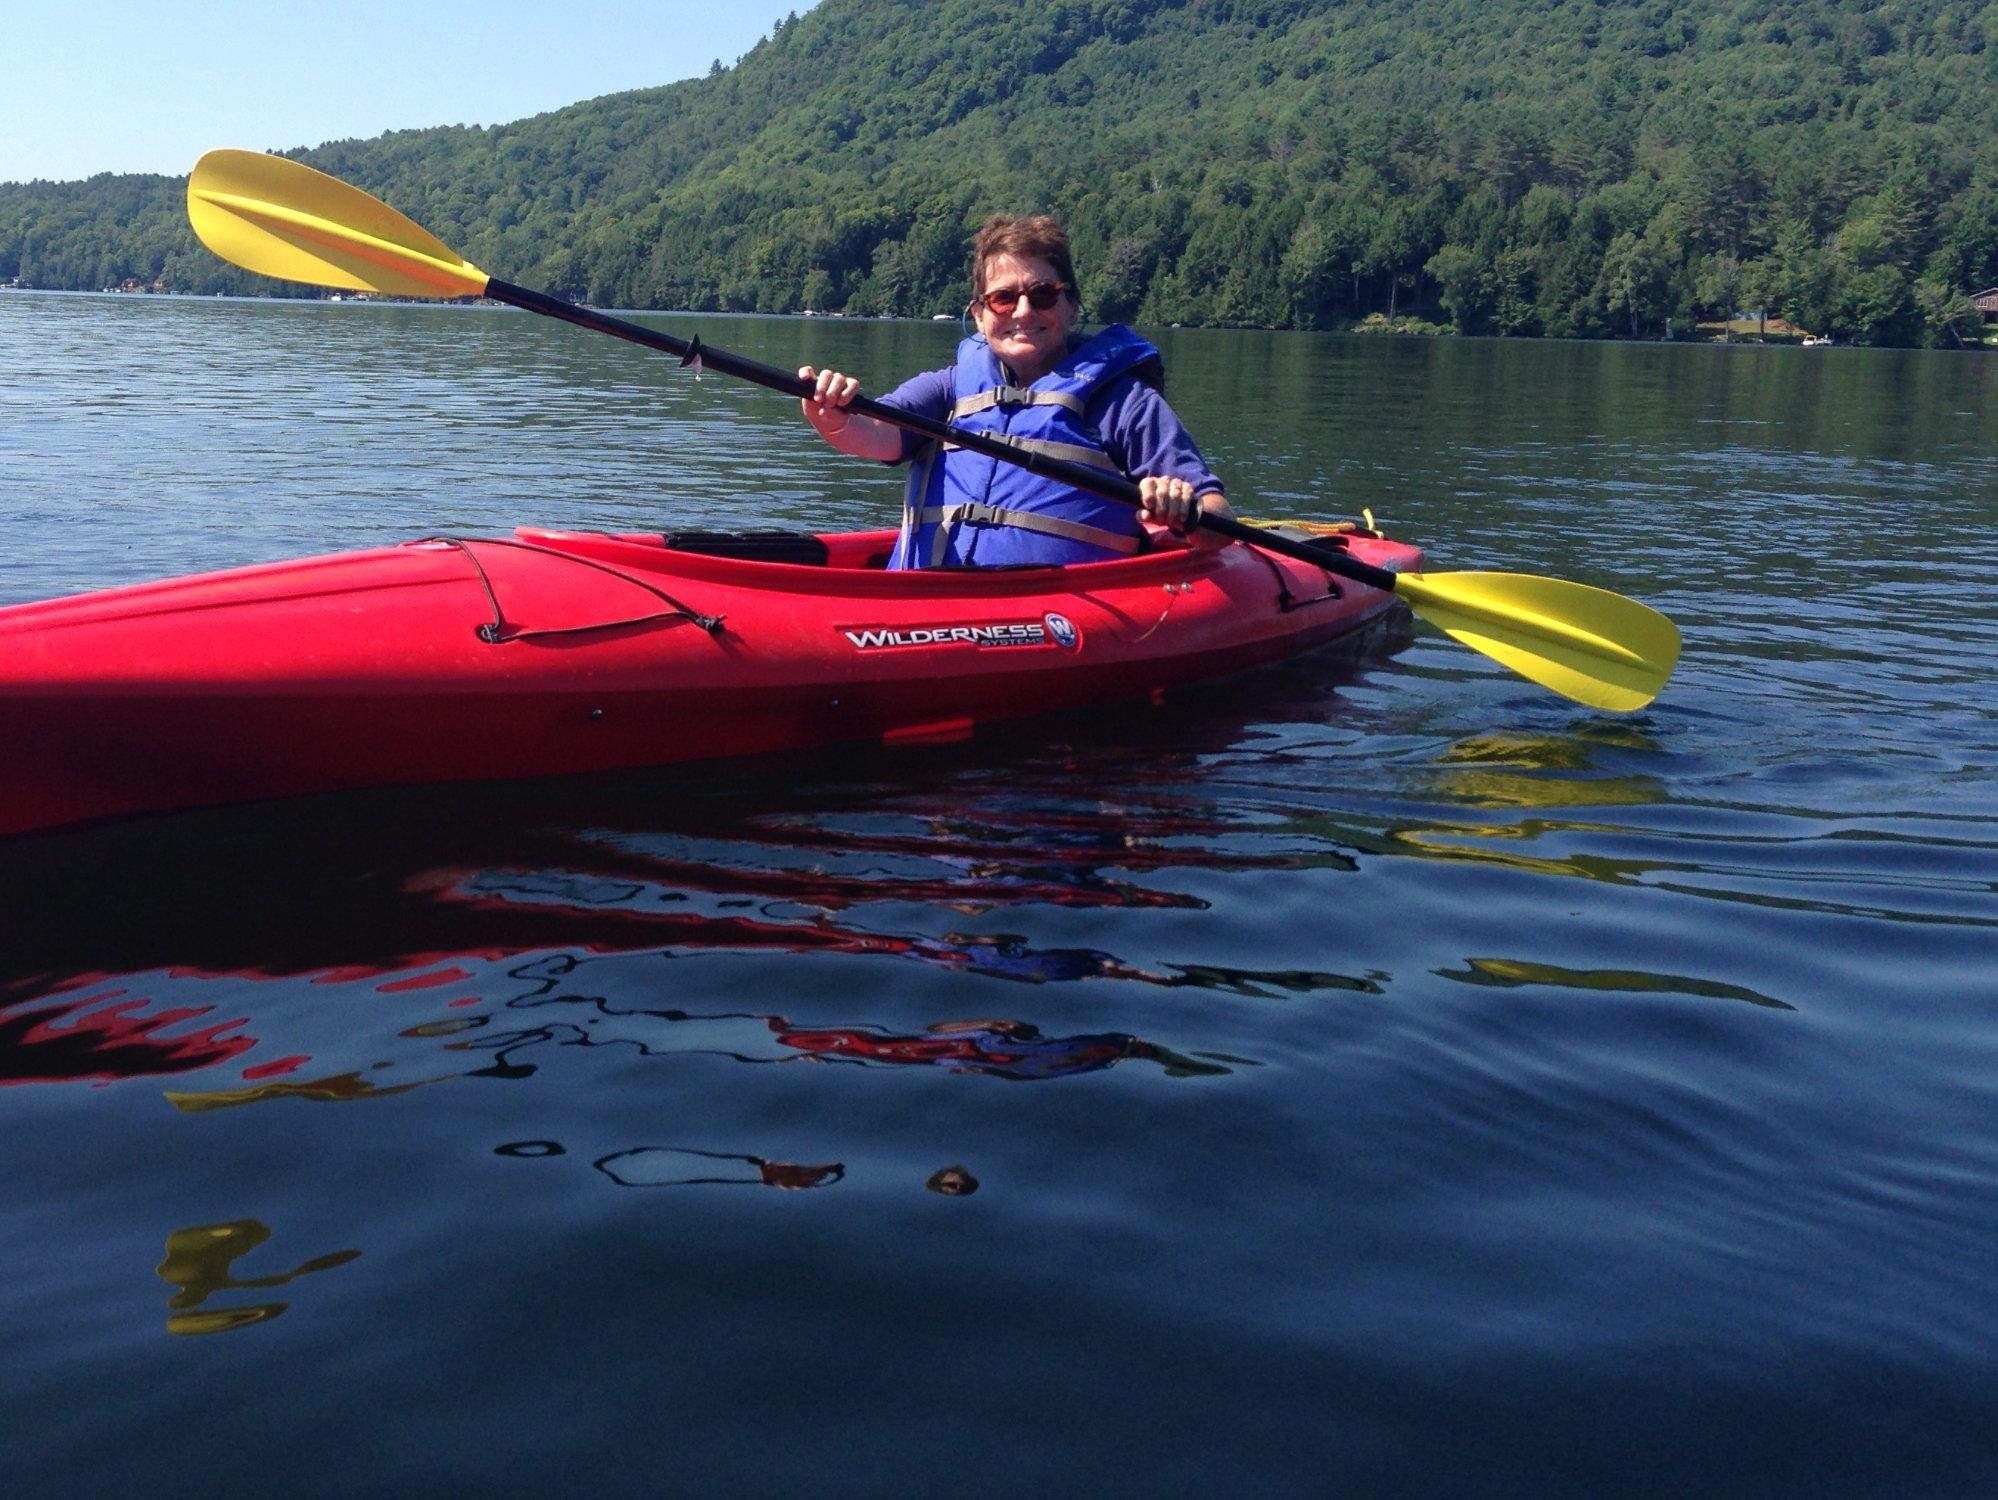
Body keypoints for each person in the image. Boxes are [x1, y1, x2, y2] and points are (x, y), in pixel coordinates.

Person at [798, 213, 1234, 569]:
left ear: (1071, 305)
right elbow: (872, 432)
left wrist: (1186, 510)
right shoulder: (948, 389)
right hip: (926, 602)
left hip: (1059, 609)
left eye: (1043, 294)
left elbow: (1218, 522)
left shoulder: (1124, 403)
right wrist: (833, 416)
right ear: (980, 314)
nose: (1023, 311)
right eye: (1004, 298)